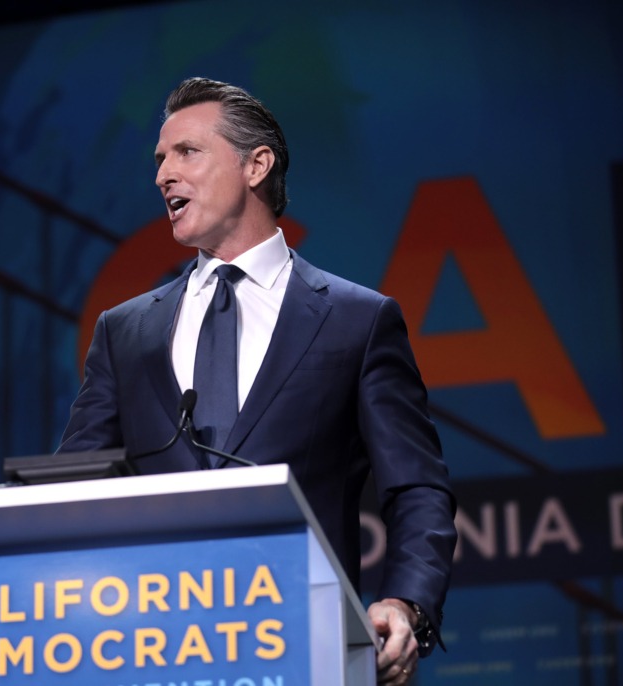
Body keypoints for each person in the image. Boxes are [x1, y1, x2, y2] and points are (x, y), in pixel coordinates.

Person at [59, 77, 457, 684]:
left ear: (256, 165)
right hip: (153, 654)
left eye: (186, 152)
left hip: (305, 647)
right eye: (160, 159)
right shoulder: (125, 331)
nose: (163, 174)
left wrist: (405, 603)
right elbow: (71, 491)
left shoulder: (357, 320)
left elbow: (418, 488)